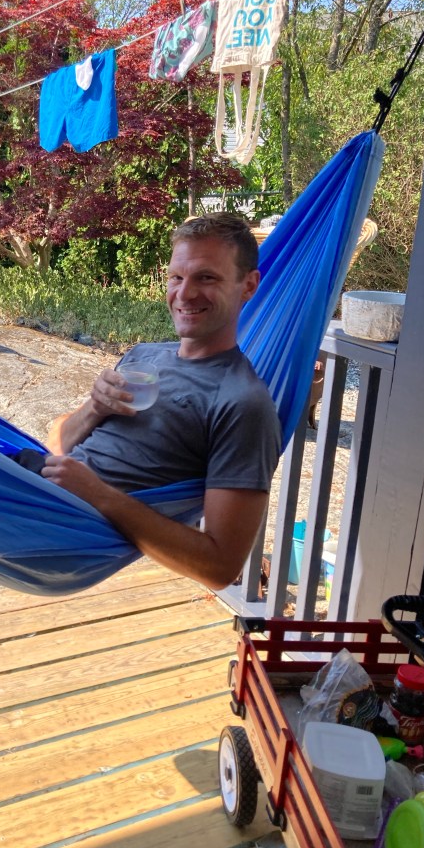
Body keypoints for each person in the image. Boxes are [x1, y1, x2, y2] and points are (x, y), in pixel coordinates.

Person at [42, 213, 282, 591]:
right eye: (176, 277)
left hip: (57, 521)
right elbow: (56, 444)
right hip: (31, 483)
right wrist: (94, 407)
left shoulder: (242, 402)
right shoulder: (143, 356)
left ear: (248, 285)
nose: (184, 294)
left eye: (206, 278)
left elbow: (219, 567)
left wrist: (99, 495)